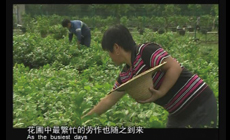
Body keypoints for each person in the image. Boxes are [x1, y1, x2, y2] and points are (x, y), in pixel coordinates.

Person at [82, 24, 218, 128]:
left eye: (108, 52)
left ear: (116, 48)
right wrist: (82, 120)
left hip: (199, 103)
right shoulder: (127, 74)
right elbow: (109, 100)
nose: (109, 57)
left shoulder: (144, 51)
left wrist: (161, 92)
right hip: (178, 114)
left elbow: (174, 67)